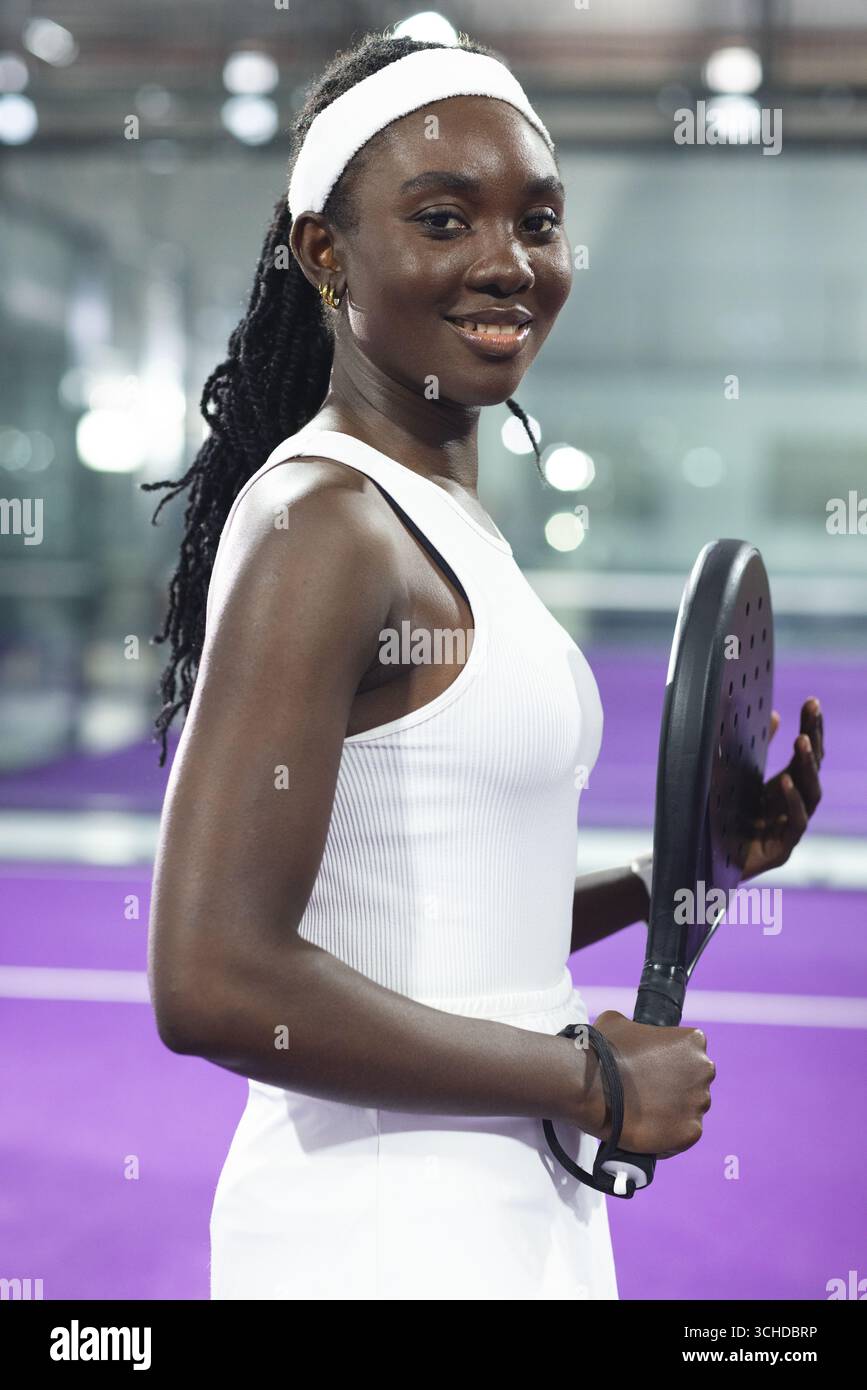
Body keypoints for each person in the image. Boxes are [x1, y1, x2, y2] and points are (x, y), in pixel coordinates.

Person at [144, 31, 824, 1301]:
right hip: (381, 1237)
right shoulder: (328, 527)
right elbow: (212, 975)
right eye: (445, 218)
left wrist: (669, 870)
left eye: (541, 221)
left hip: (502, 1208)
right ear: (325, 256)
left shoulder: (442, 519)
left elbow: (434, 925)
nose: (508, 262)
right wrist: (592, 1079)